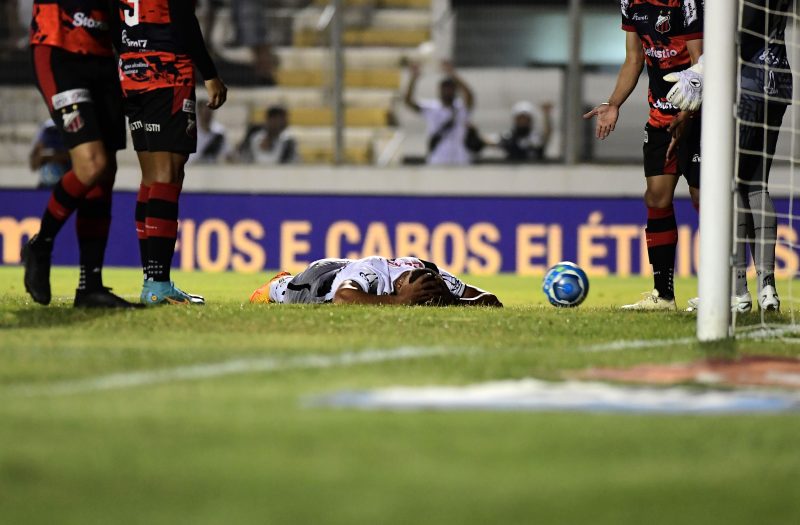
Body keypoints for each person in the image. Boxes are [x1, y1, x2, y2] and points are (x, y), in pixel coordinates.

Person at [667, 0, 790, 313]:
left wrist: (702, 69)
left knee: (728, 184)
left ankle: (734, 290)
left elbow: (742, 30)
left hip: (746, 81)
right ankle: (767, 288)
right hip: (777, 79)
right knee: (756, 184)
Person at [584, 0, 703, 311]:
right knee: (656, 198)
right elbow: (634, 58)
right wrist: (613, 104)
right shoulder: (630, 3)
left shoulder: (686, 2)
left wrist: (689, 113)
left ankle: (722, 289)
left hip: (698, 116)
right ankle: (663, 295)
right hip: (661, 118)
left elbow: (700, 61)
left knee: (704, 199)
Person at [21, 0, 140, 308]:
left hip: (101, 57)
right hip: (58, 48)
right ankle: (41, 243)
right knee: (92, 164)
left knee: (105, 171)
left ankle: (90, 285)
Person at [110, 0, 227, 305]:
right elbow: (182, 16)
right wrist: (210, 72)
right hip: (167, 70)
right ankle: (157, 284)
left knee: (150, 177)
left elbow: (112, 18)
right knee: (168, 174)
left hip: (132, 70)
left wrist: (129, 57)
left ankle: (152, 279)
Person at [249, 256, 503, 307]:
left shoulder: (435, 275)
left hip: (348, 267)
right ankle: (278, 282)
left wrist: (454, 301)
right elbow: (343, 297)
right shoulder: (374, 272)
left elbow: (491, 300)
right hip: (323, 277)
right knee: (288, 294)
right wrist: (400, 301)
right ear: (402, 286)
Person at [404, 61, 475, 166]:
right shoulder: (431, 108)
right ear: (439, 90)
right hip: (438, 158)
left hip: (459, 158)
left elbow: (469, 95)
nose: (447, 91)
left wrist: (453, 74)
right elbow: (409, 102)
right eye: (444, 88)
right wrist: (413, 79)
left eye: (450, 88)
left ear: (455, 90)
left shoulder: (460, 109)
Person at [29, 118, 71, 189]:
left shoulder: (67, 143)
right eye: (50, 132)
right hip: (45, 186)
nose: (53, 135)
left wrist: (50, 156)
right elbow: (33, 165)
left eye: (56, 131)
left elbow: (69, 157)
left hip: (64, 186)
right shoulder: (42, 142)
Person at [187, 100, 230, 165]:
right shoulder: (189, 132)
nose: (207, 112)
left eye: (210, 110)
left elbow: (227, 154)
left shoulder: (219, 132)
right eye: (205, 110)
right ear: (199, 111)